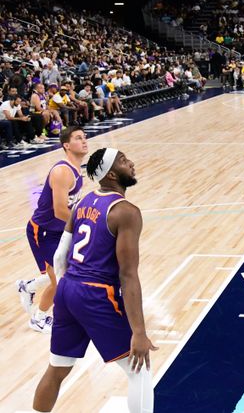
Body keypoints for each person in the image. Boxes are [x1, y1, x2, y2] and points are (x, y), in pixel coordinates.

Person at [32, 148, 156, 412]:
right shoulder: (126, 212)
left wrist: (69, 289)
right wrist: (140, 332)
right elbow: (128, 274)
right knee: (140, 371)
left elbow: (59, 258)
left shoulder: (82, 202)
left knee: (57, 369)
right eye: (124, 160)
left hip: (67, 290)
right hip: (96, 294)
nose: (131, 162)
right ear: (111, 174)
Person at [17, 127, 88, 333]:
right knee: (60, 280)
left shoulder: (76, 168)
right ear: (66, 145)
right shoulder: (62, 171)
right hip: (44, 231)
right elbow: (59, 211)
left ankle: (28, 287)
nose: (84, 141)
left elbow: (70, 205)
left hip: (59, 230)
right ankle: (38, 319)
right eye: (78, 138)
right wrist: (85, 224)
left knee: (67, 272)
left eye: (84, 137)